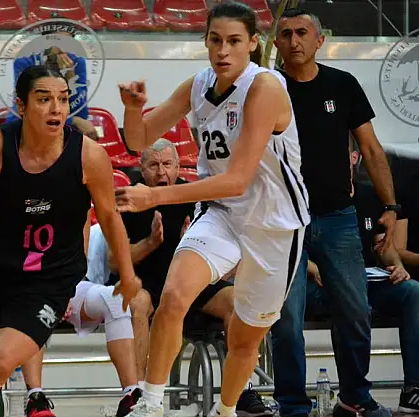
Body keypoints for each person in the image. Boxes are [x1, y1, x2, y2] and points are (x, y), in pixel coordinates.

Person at [114, 2, 310, 416]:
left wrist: (154, 197)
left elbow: (238, 179)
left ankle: (226, 410)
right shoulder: (199, 83)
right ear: (205, 41)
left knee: (246, 339)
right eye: (215, 40)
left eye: (234, 41)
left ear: (253, 44)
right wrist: (133, 109)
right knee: (173, 296)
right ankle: (150, 404)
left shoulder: (265, 88)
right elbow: (139, 139)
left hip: (273, 223)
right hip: (221, 213)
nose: (223, 50)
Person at [0, 65, 140, 417]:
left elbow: (108, 217)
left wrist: (129, 274)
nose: (56, 108)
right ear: (21, 105)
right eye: (44, 99)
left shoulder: (89, 156)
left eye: (63, 99)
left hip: (49, 279)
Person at [269, 8, 398, 417]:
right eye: (285, 34)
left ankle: (354, 398)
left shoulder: (342, 84)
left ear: (319, 39)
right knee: (286, 319)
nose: (294, 41)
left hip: (338, 217)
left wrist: (390, 206)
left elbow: (371, 149)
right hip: (283, 221)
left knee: (356, 312)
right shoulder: (266, 88)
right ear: (277, 42)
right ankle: (292, 406)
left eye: (301, 32)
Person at [106, 138, 272, 417]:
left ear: (177, 167)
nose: (161, 172)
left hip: (193, 281)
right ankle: (139, 396)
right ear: (141, 169)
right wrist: (150, 243)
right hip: (146, 283)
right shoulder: (130, 198)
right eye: (153, 165)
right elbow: (113, 261)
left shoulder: (194, 197)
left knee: (237, 299)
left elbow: (229, 253)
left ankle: (241, 391)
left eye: (167, 164)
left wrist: (193, 245)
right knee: (136, 302)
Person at [305, 141, 419, 412]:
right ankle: (355, 394)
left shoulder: (370, 196)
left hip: (368, 279)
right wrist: (314, 268)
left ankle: (413, 389)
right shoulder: (309, 198)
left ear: (354, 158)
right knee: (353, 304)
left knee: (413, 291)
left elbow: (383, 246)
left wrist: (397, 266)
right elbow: (293, 247)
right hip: (326, 283)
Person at [21, 212, 140, 417]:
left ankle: (131, 397)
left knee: (115, 299)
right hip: (26, 285)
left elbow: (78, 260)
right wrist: (54, 294)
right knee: (34, 303)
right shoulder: (24, 202)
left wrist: (66, 292)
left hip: (68, 284)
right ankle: (35, 399)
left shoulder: (76, 199)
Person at [6, 29, 98, 140]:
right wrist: (72, 120)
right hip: (26, 124)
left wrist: (70, 78)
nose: (64, 49)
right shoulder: (25, 62)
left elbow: (81, 112)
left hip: (62, 126)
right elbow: (28, 107)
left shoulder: (77, 62)